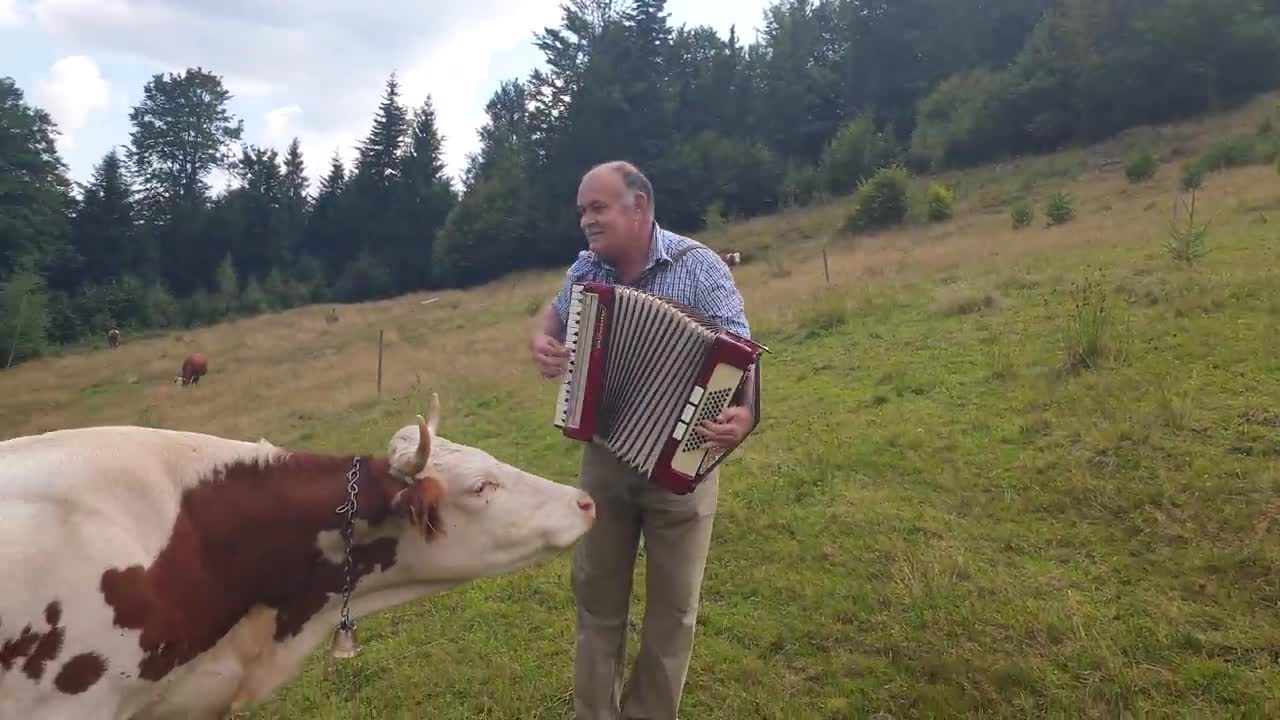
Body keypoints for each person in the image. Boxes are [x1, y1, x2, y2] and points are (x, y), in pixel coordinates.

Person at [529, 160, 756, 720]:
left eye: (598, 208)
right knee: (597, 601)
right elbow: (552, 319)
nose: (586, 220)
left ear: (640, 207)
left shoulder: (698, 266)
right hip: (605, 456)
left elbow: (743, 354)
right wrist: (541, 341)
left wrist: (745, 416)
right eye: (582, 210)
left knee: (672, 612)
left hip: (685, 463)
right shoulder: (585, 271)